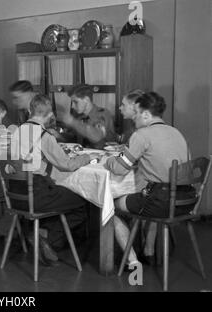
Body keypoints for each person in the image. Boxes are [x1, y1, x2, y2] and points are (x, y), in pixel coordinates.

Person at [105, 92, 195, 267]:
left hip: (160, 202)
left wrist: (110, 160)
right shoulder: (176, 132)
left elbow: (119, 168)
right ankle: (148, 252)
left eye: (137, 113)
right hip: (186, 201)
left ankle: (132, 261)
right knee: (147, 196)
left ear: (146, 115)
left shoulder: (141, 134)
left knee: (110, 206)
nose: (135, 118)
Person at [10, 94, 100, 264]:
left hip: (15, 195)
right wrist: (88, 157)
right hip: (36, 196)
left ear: (30, 111)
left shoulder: (17, 131)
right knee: (83, 200)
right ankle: (46, 236)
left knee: (59, 196)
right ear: (50, 115)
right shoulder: (44, 136)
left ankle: (43, 234)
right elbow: (67, 164)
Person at [60, 84, 117, 149]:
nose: (72, 106)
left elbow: (97, 136)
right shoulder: (80, 118)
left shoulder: (103, 114)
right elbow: (72, 138)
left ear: (86, 100)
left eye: (75, 102)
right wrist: (58, 135)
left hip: (105, 156)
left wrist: (73, 122)